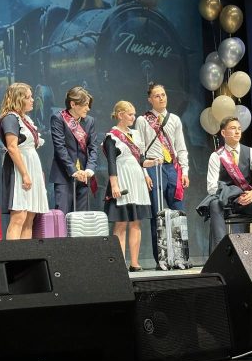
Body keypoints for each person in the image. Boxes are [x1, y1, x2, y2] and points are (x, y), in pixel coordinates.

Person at [198, 116, 252, 250]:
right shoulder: (216, 156)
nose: (237, 132)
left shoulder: (251, 152)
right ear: (223, 133)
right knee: (215, 204)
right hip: (227, 202)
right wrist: (233, 195)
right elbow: (212, 187)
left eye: (239, 128)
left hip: (248, 200)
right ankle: (222, 250)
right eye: (233, 128)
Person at [135, 82, 189, 264]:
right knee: (157, 215)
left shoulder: (175, 119)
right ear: (150, 99)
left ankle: (182, 256)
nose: (161, 98)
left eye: (163, 95)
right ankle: (161, 258)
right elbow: (139, 150)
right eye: (157, 96)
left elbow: (181, 147)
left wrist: (185, 171)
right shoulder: (143, 120)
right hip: (153, 167)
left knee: (178, 212)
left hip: (172, 168)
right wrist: (145, 173)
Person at [104, 101, 161, 271]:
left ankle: (134, 263)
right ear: (120, 115)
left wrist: (152, 162)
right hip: (122, 180)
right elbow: (111, 163)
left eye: (134, 114)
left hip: (137, 181)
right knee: (121, 223)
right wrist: (114, 185)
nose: (133, 117)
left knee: (136, 223)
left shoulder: (135, 135)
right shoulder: (111, 137)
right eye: (130, 114)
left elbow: (141, 160)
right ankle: (120, 263)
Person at [0, 83, 49, 240]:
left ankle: (25, 254)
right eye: (28, 97)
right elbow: (12, 147)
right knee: (19, 216)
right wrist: (25, 174)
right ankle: (13, 255)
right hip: (19, 169)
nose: (32, 100)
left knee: (29, 218)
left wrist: (36, 173)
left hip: (31, 166)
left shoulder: (25, 119)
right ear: (18, 99)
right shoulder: (10, 118)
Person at [50, 86, 99, 213]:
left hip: (84, 175)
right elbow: (60, 147)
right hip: (64, 174)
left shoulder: (90, 121)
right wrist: (73, 171)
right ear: (73, 104)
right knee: (63, 214)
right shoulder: (58, 118)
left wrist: (89, 169)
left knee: (81, 218)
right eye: (85, 105)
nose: (88, 109)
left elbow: (93, 147)